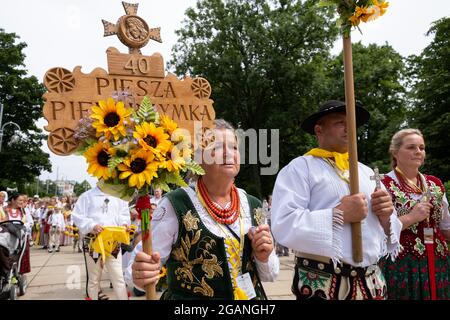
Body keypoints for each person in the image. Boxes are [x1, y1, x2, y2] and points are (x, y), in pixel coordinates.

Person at [131, 119, 279, 299]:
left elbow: (269, 275)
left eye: (233, 147)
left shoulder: (253, 205)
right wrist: (141, 273)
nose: (229, 154)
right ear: (199, 157)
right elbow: (143, 267)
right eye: (217, 147)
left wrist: (264, 256)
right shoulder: (176, 204)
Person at [271, 100, 402, 300]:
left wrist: (386, 216)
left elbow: (389, 233)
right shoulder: (300, 168)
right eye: (340, 122)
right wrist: (338, 215)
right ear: (319, 130)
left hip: (371, 283)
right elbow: (284, 224)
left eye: (351, 123)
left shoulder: (367, 172)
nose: (348, 128)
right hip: (323, 282)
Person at [380, 128, 450, 299]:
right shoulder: (383, 184)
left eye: (422, 147)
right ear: (395, 153)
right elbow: (379, 231)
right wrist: (411, 217)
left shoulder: (435, 184)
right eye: (411, 147)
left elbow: (446, 225)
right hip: (401, 263)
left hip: (437, 261)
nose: (418, 152)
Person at [72, 186, 131, 300]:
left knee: (118, 277)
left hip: (112, 242)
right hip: (94, 242)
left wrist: (124, 224)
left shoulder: (119, 195)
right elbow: (77, 216)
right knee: (94, 278)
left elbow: (123, 214)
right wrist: (92, 225)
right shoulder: (87, 196)